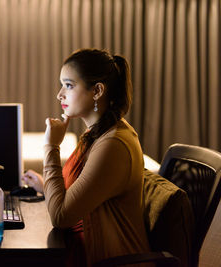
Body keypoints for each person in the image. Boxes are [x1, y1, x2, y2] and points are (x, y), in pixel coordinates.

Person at [22, 48, 151, 266]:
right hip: (87, 249)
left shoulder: (113, 144)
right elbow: (80, 196)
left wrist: (51, 146)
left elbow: (61, 217)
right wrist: (46, 187)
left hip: (110, 260)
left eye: (69, 85)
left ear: (98, 91)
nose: (59, 94)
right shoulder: (96, 135)